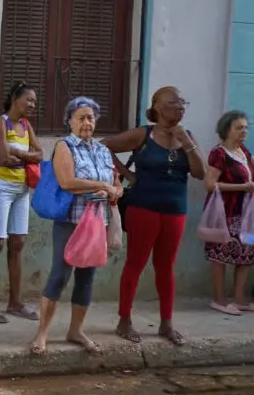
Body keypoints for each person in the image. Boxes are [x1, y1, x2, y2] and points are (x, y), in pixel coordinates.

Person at [103, 86, 205, 345]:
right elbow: (104, 147)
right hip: (143, 207)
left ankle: (166, 323)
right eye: (174, 102)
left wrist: (188, 143)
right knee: (135, 264)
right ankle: (124, 319)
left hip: (175, 210)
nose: (180, 107)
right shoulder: (144, 134)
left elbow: (200, 173)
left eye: (183, 102)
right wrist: (128, 175)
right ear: (158, 106)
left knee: (166, 267)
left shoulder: (187, 136)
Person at [30, 97, 122, 356]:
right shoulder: (64, 146)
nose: (86, 122)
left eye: (91, 117)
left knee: (87, 278)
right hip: (71, 221)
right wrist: (100, 186)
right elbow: (68, 181)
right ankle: (42, 334)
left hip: (97, 221)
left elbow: (116, 182)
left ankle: (76, 330)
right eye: (80, 117)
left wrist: (115, 190)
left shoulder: (103, 151)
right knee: (60, 274)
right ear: (69, 120)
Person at [0, 80, 43, 324]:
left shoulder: (26, 126)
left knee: (18, 243)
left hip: (22, 189)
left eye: (35, 101)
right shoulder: (1, 122)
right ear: (15, 99)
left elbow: (40, 154)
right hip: (0, 188)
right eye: (29, 99)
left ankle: (15, 302)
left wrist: (20, 155)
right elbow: (4, 158)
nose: (32, 105)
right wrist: (25, 157)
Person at [203, 111, 254, 314]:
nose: (244, 131)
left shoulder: (244, 151)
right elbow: (209, 184)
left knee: (247, 253)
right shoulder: (220, 154)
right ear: (227, 130)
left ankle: (239, 298)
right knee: (221, 255)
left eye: (246, 127)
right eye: (239, 127)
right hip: (224, 212)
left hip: (246, 213)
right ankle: (219, 299)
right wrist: (242, 187)